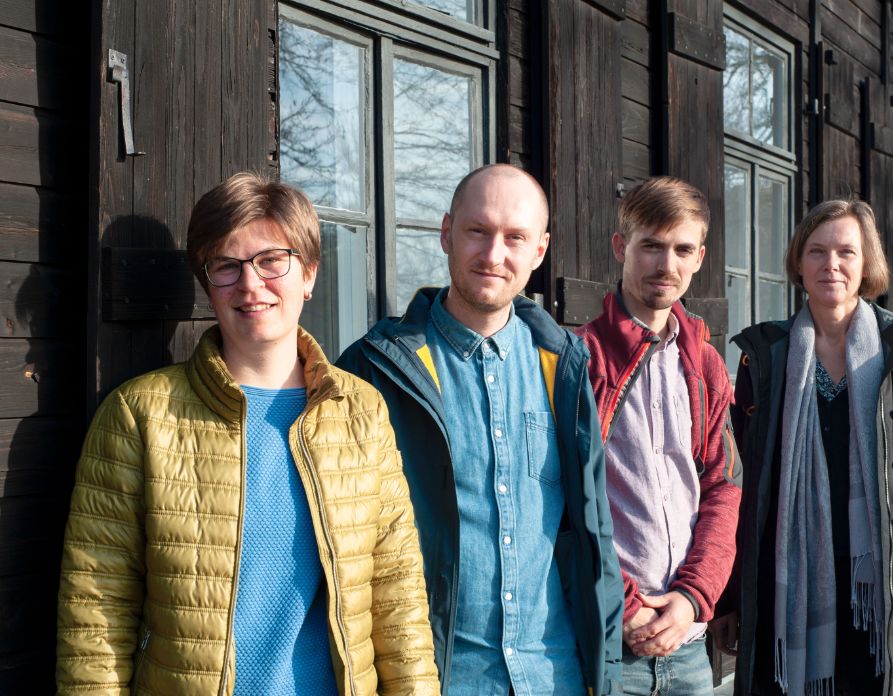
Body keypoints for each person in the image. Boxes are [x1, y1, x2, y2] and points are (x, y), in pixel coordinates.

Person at [56, 172, 439, 695]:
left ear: (308, 273)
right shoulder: (139, 414)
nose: (250, 284)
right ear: (206, 282)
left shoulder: (361, 412)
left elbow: (398, 595)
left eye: (271, 261)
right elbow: (95, 611)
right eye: (227, 266)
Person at [337, 163, 624, 696]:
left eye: (515, 237)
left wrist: (603, 674)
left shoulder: (565, 366)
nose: (494, 255)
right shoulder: (373, 370)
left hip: (553, 676)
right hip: (438, 681)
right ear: (446, 233)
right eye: (478, 231)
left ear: (539, 251)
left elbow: (595, 535)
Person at [717, 199, 893, 695]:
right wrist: (730, 599)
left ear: (866, 263)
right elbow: (738, 492)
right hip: (784, 593)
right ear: (798, 262)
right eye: (816, 251)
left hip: (882, 593)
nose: (830, 264)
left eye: (845, 252)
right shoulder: (764, 359)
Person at [577, 176, 742, 696]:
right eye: (651, 245)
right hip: (608, 646)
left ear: (699, 257)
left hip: (689, 646)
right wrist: (623, 606)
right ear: (620, 247)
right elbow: (563, 499)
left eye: (682, 249)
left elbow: (723, 487)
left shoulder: (706, 365)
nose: (666, 265)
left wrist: (694, 597)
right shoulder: (580, 359)